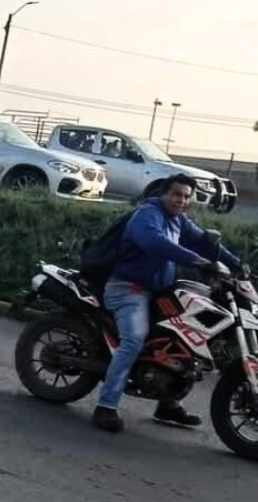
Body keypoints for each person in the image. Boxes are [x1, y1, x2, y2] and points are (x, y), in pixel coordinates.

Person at [92, 173, 244, 433]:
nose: (181, 200)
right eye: (177, 195)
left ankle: (167, 402)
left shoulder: (179, 219)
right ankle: (106, 405)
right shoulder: (147, 215)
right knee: (133, 340)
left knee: (186, 341)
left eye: (186, 197)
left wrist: (237, 264)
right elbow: (156, 244)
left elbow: (203, 242)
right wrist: (198, 261)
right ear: (164, 194)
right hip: (129, 290)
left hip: (158, 291)